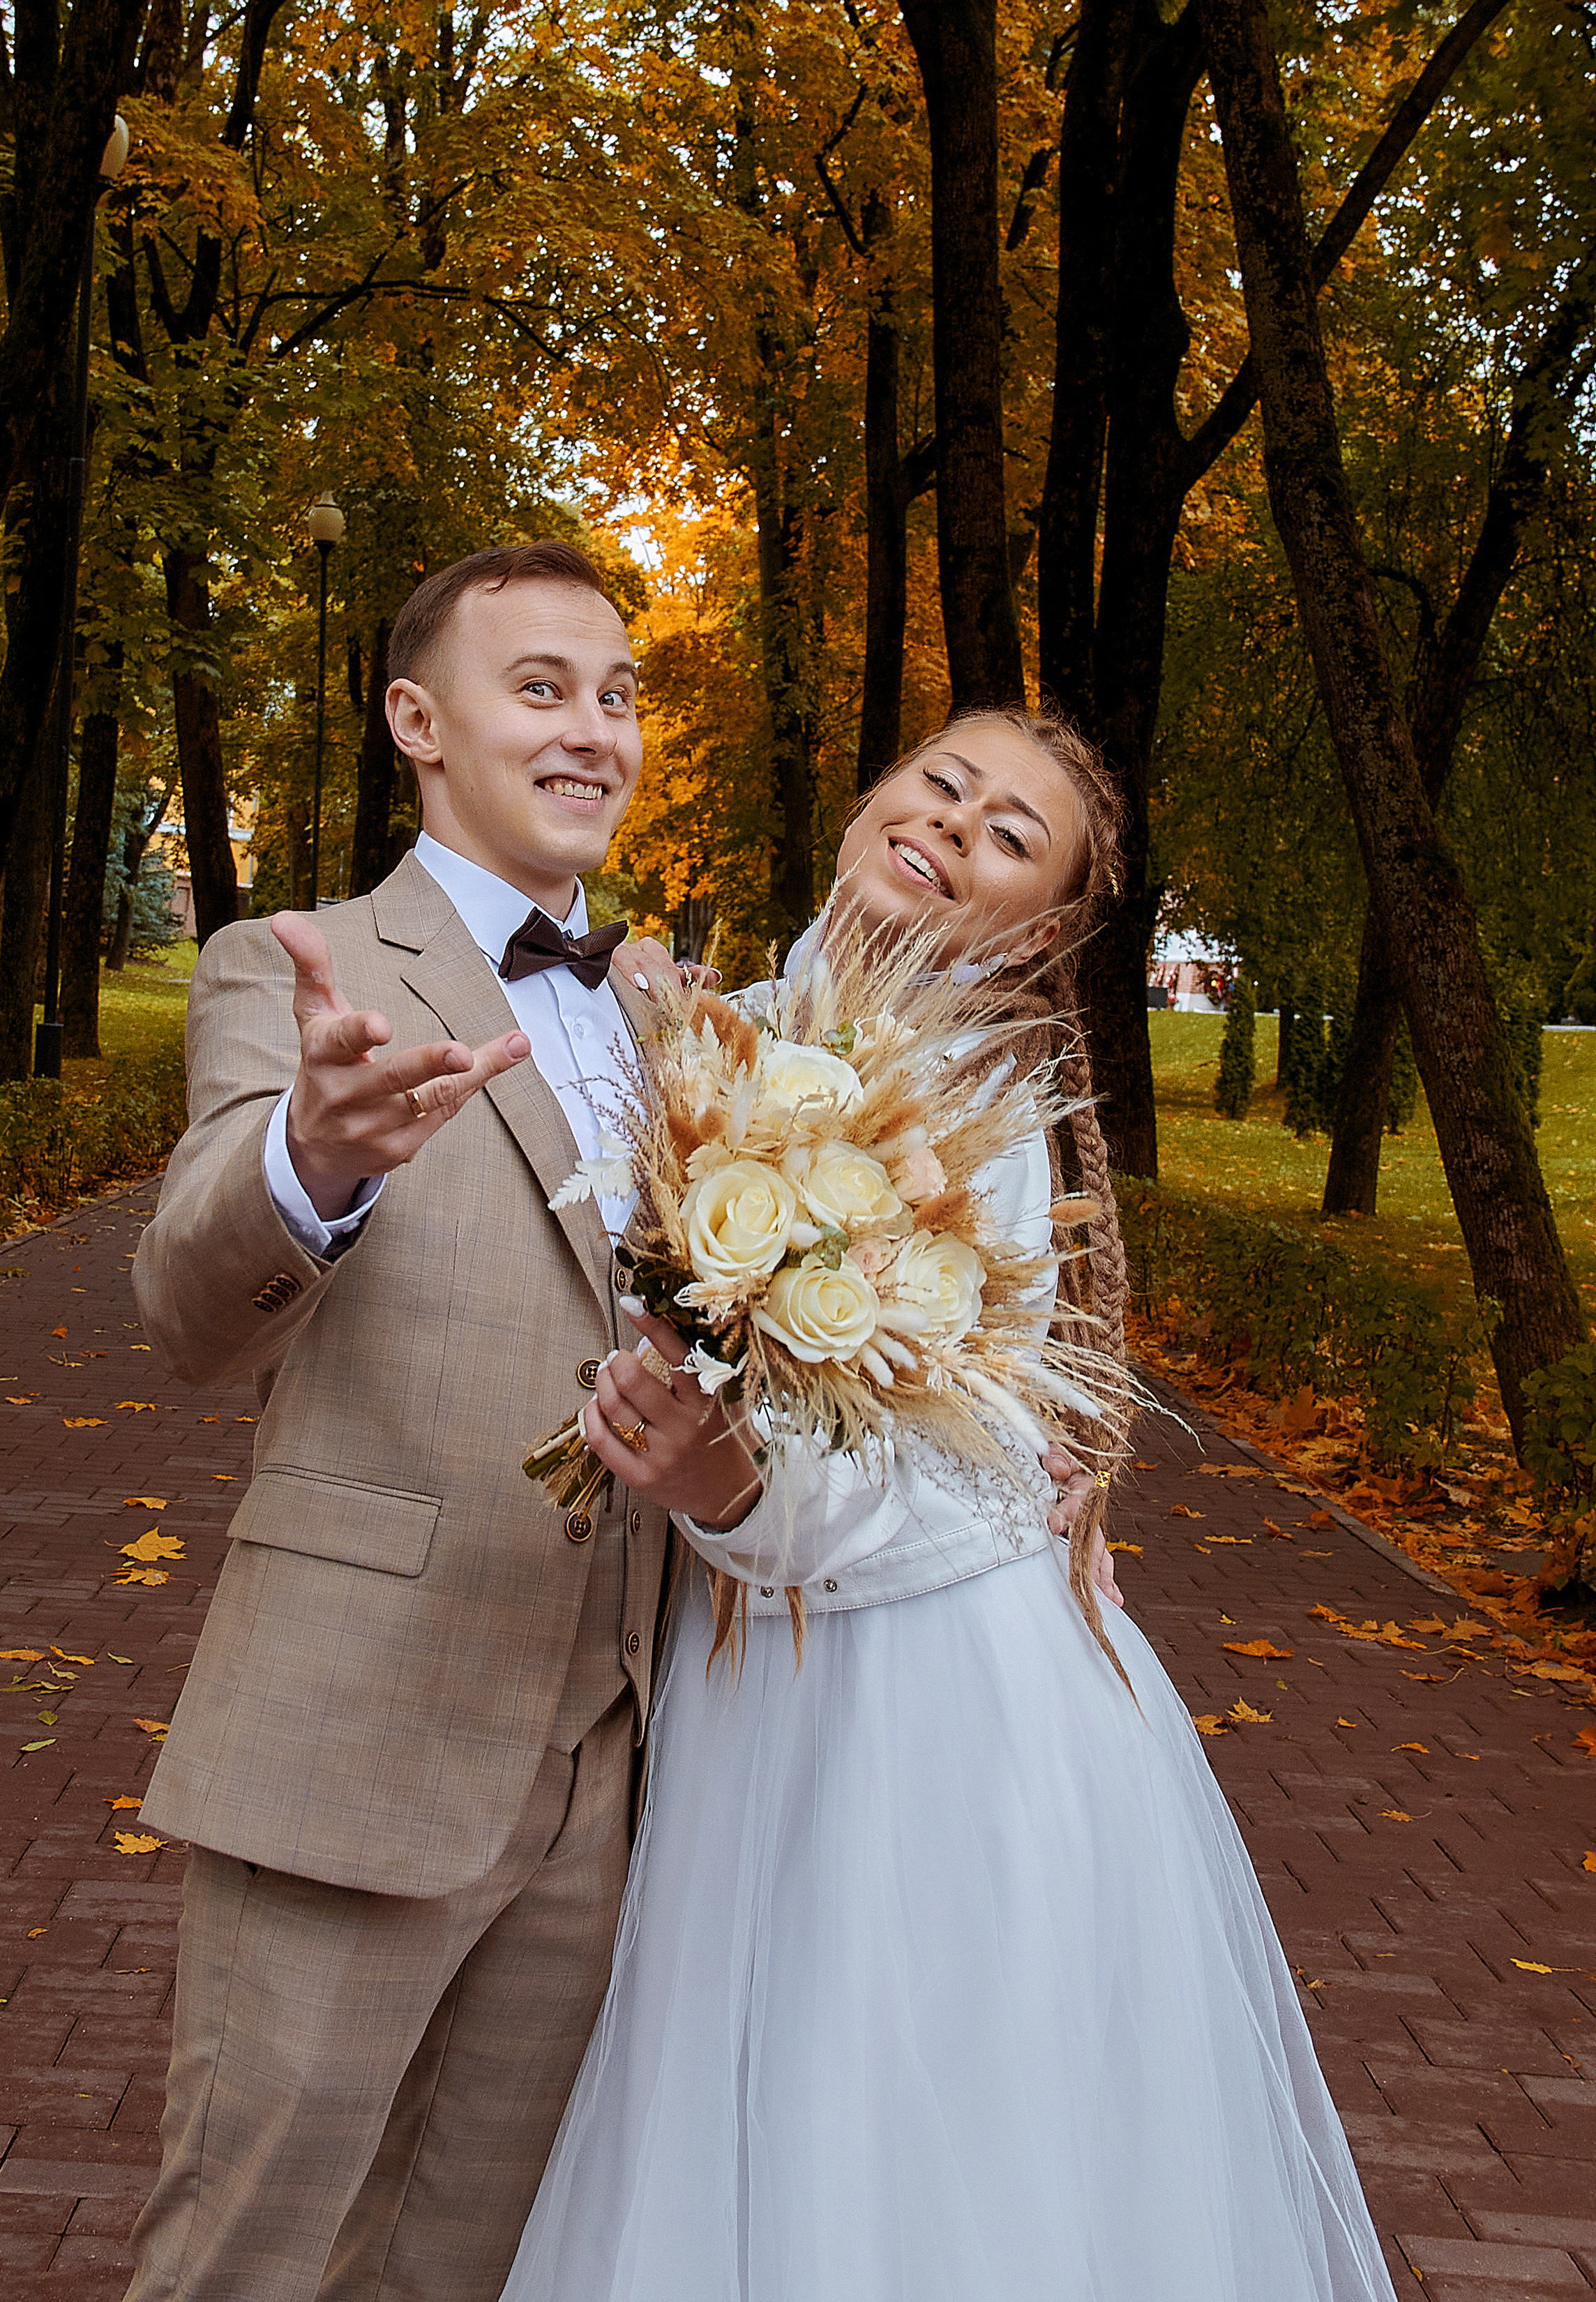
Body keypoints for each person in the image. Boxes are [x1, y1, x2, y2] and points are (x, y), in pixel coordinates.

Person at [500, 708, 1401, 2302]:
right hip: (747, 1683)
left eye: (1007, 833)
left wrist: (720, 1485)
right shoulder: (729, 1027)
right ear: (870, 795)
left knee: (903, 2158)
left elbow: (935, 1479)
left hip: (924, 1716)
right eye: (943, 783)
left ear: (1038, 926)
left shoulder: (973, 1109)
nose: (953, 822)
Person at [123, 541, 753, 2302]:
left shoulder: (666, 1011)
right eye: (538, 687)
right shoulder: (298, 963)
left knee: (454, 2269)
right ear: (418, 718)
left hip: (602, 1764)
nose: (591, 732)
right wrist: (310, 1154)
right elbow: (184, 1305)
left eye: (617, 695)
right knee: (247, 2261)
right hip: (358, 1736)